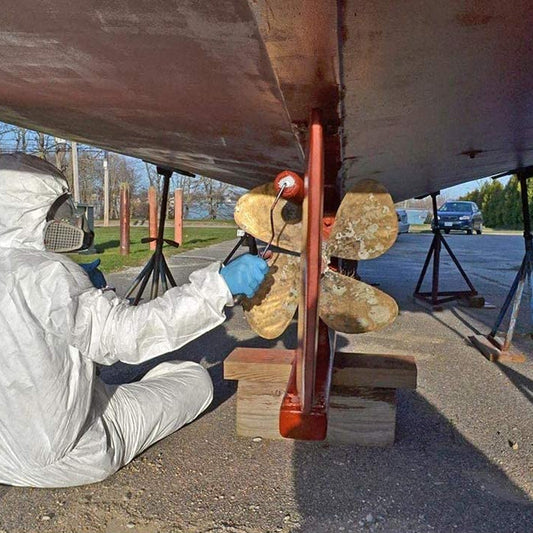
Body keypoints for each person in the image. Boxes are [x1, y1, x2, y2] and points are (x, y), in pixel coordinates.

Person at [0, 153, 268, 488]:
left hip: (4, 455)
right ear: (32, 213)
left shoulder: (34, 271)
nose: (68, 220)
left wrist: (84, 296)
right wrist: (219, 288)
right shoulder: (49, 274)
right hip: (70, 453)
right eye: (59, 209)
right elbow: (125, 337)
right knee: (195, 378)